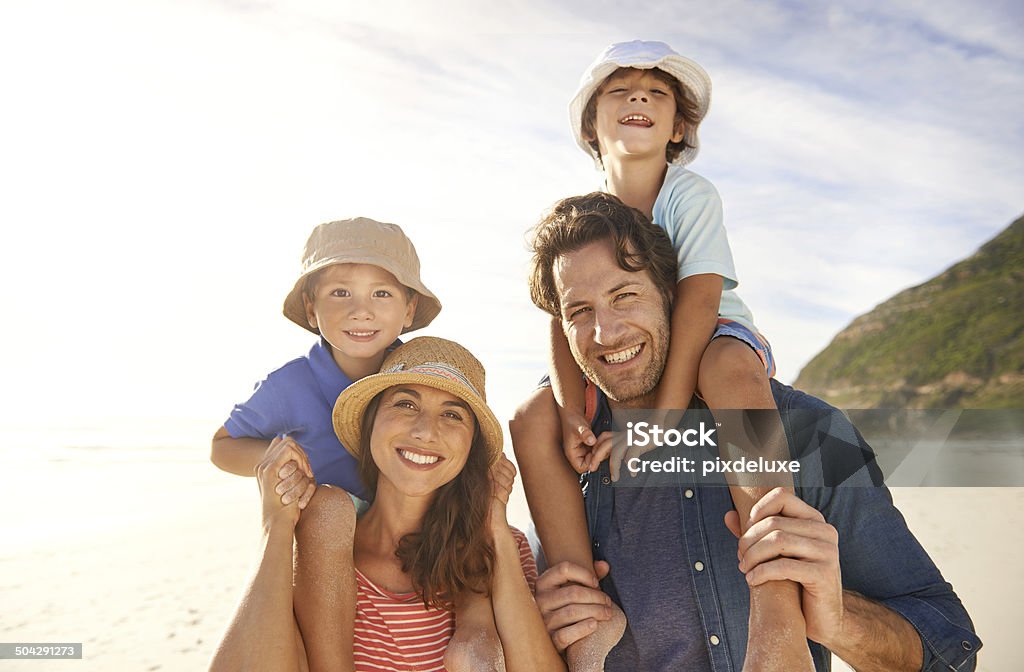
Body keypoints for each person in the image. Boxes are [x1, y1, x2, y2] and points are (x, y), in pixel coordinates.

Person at [513, 192, 981, 671]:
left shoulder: (809, 435)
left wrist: (836, 619)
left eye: (624, 296)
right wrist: (539, 625)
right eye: (580, 312)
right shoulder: (564, 457)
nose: (605, 333)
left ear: (673, 296)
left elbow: (951, 656)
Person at [512, 40, 810, 669]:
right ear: (593, 126)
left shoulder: (690, 194)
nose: (638, 98)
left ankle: (775, 578)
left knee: (725, 370)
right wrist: (570, 411)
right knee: (528, 416)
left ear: (679, 127)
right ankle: (578, 602)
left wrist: (661, 424)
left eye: (657, 92)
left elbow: (699, 303)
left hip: (715, 334)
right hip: (621, 348)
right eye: (619, 92)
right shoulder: (583, 218)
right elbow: (562, 319)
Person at [210, 337, 566, 672]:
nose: (426, 431)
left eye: (452, 415)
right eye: (406, 404)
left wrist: (496, 529)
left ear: (471, 446)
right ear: (370, 424)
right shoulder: (320, 542)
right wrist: (276, 526)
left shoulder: (503, 549)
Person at [209, 217, 442, 669]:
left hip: (403, 528)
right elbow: (222, 446)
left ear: (409, 309)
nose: (362, 311)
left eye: (382, 293)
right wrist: (276, 458)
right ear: (311, 309)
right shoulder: (289, 384)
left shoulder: (418, 372)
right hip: (325, 535)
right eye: (340, 293)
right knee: (329, 506)